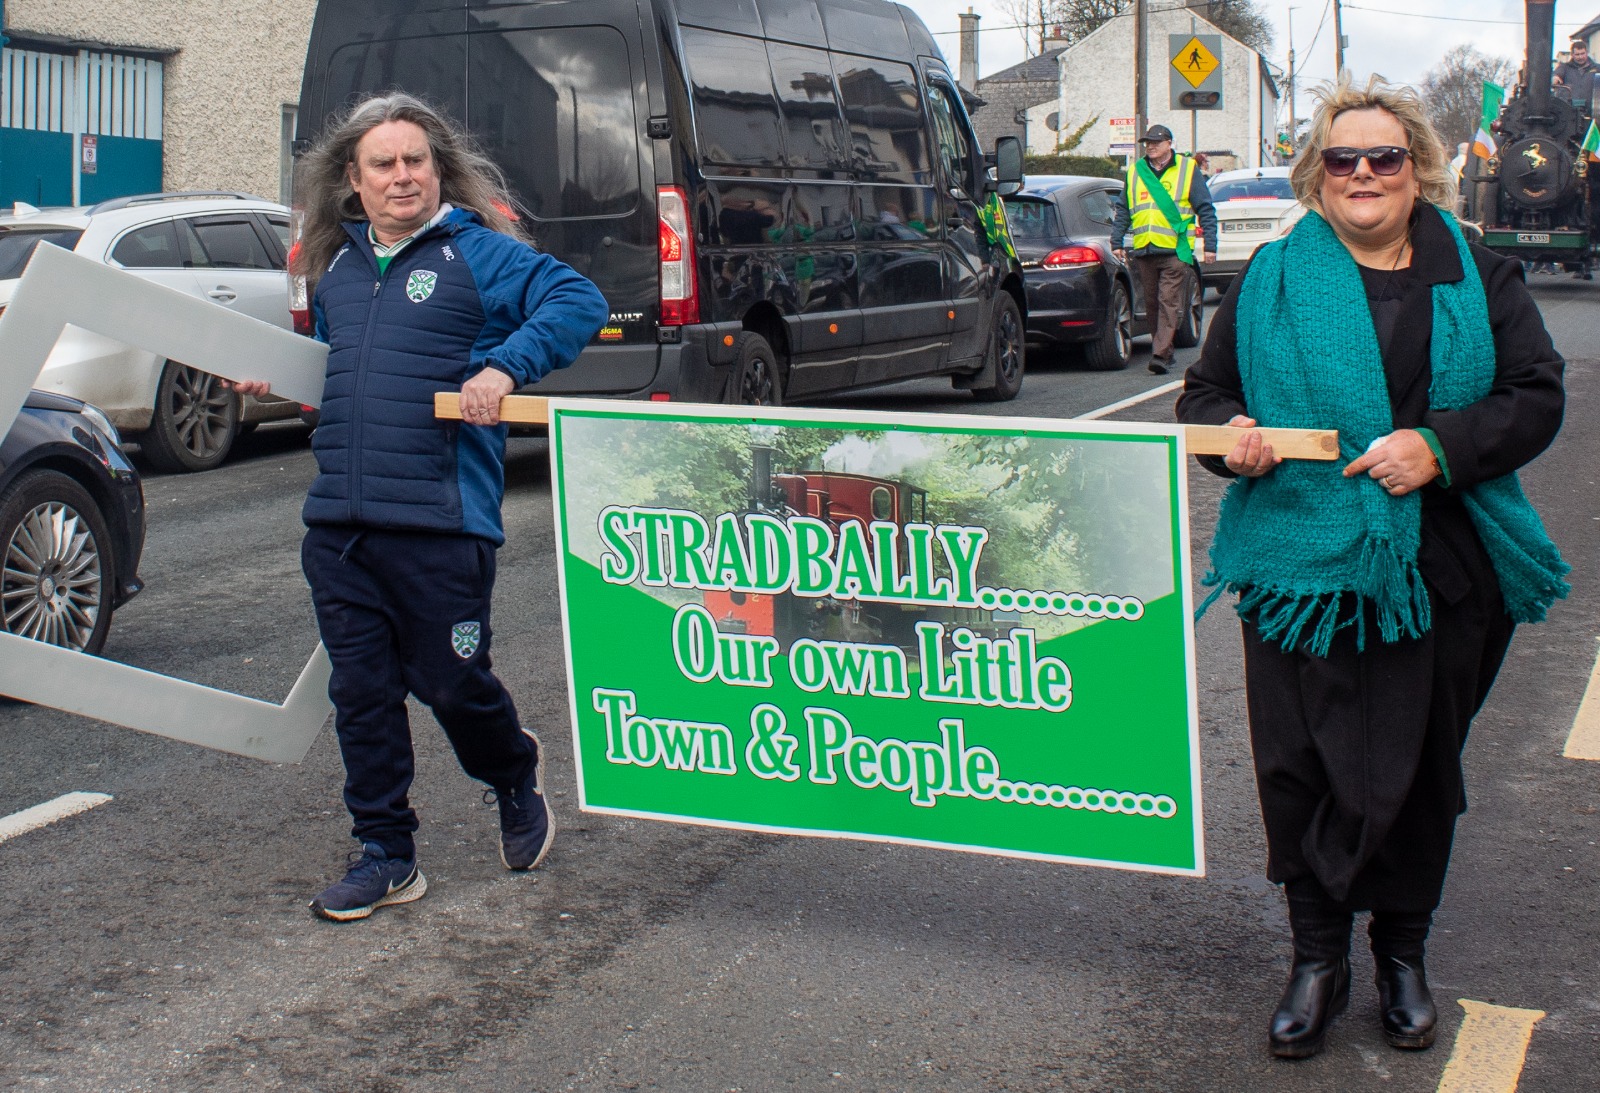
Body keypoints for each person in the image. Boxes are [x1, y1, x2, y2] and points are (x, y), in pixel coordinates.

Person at [1176, 75, 1567, 1060]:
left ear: (1416, 171)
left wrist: (1436, 447)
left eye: (1382, 157)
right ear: (1318, 172)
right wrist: (1233, 437)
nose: (1361, 173)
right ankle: (1316, 958)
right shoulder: (1267, 279)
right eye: (1341, 158)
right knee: (1298, 762)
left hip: (1436, 567)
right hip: (1298, 567)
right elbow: (1205, 395)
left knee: (1416, 768)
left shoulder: (1477, 273)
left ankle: (1399, 953)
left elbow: (1535, 393)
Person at [231, 93, 608, 922]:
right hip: (341, 526)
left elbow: (579, 303)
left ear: (438, 170)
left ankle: (511, 768)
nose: (403, 176)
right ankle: (387, 852)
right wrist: (273, 379)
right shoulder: (337, 270)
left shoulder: (477, 254)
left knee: (449, 682)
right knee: (362, 697)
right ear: (352, 184)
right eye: (384, 164)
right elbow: (342, 369)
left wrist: (503, 368)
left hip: (442, 524)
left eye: (416, 160)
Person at [1112, 124, 1219, 375]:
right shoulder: (1136, 171)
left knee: (1167, 300)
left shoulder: (1187, 169)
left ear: (1169, 143)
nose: (1150, 146)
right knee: (1152, 304)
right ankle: (1166, 351)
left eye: (1155, 142)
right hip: (1145, 248)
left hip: (1175, 249)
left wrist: (1210, 246)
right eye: (1147, 143)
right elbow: (1124, 209)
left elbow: (1205, 208)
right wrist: (1116, 241)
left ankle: (1159, 354)